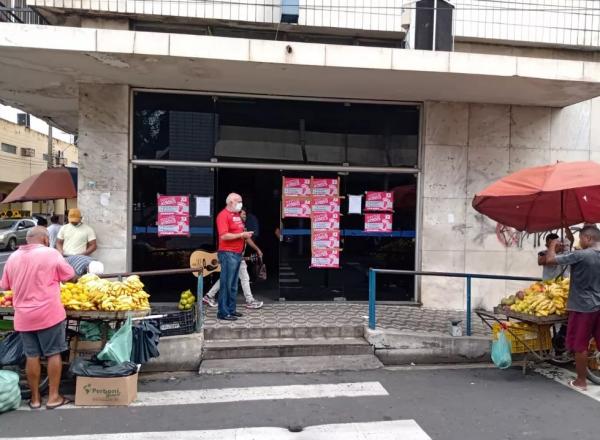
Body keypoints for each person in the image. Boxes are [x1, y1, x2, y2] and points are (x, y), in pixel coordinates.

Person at [0, 226, 75, 409]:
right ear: (45, 239)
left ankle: (34, 400)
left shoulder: (13, 257)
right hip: (48, 313)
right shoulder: (51, 253)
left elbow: (5, 285)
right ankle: (53, 397)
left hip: (24, 316)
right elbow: (69, 276)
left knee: (31, 355)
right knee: (53, 353)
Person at [545, 226, 600, 391]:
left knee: (579, 345)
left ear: (588, 239)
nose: (580, 242)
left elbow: (549, 260)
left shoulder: (581, 255)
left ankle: (581, 381)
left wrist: (552, 245)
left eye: (581, 238)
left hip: (582, 307)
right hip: (598, 305)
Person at [203, 208, 264, 309]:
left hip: (237, 256)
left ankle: (209, 296)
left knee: (233, 277)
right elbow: (244, 239)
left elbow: (247, 239)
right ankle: (249, 301)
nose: (245, 217)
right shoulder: (235, 227)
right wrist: (257, 249)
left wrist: (257, 249)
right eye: (243, 215)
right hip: (234, 256)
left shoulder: (241, 226)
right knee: (236, 278)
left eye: (245, 215)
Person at [214, 193, 253, 321]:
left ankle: (231, 309)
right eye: (239, 201)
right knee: (226, 283)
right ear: (231, 202)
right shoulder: (223, 215)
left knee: (233, 285)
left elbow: (238, 231)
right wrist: (242, 235)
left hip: (237, 254)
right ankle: (223, 312)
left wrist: (245, 235)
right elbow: (224, 236)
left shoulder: (236, 215)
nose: (241, 203)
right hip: (227, 253)